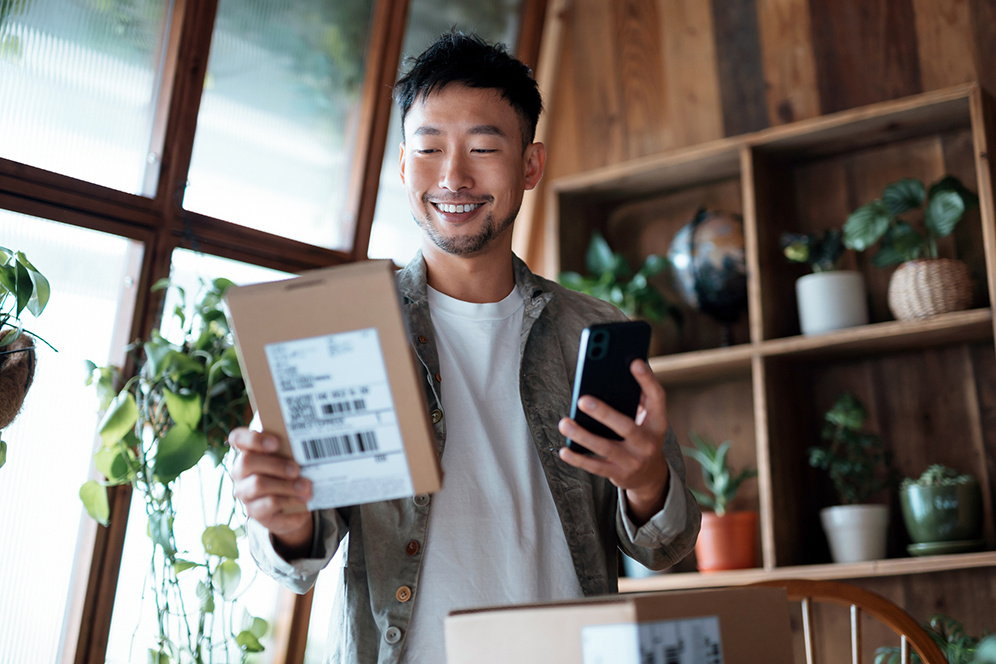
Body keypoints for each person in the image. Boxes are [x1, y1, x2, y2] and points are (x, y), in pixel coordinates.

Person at [229, 32, 700, 664]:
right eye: (428, 148)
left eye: (482, 147)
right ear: (401, 165)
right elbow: (291, 561)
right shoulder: (339, 331)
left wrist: (646, 481)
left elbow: (666, 545)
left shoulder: (591, 329)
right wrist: (284, 522)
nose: (453, 175)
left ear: (530, 166)